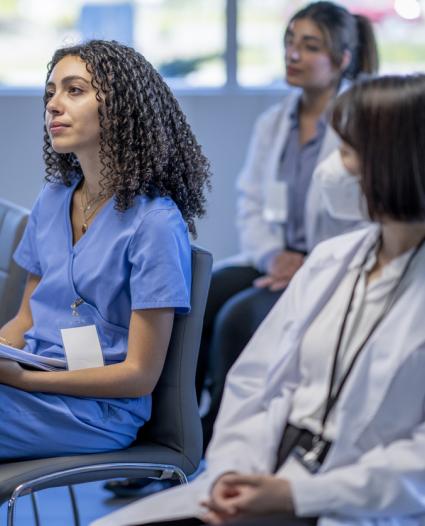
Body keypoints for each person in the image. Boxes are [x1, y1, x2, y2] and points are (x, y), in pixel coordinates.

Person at [91, 73, 425, 526]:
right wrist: (233, 471)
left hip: (355, 501)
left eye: (345, 153)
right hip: (265, 472)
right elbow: (258, 382)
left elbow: (416, 467)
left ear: (396, 164)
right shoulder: (334, 260)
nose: (331, 170)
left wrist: (296, 495)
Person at [0, 39, 210, 459]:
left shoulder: (155, 223)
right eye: (51, 93)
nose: (54, 105)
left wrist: (23, 381)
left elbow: (138, 375)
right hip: (31, 384)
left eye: (74, 90)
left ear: (120, 107)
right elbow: (24, 320)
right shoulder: (54, 198)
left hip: (98, 411)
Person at [198, 0, 379, 451]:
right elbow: (251, 201)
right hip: (277, 257)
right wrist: (273, 255)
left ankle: (220, 435)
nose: (293, 55)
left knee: (239, 317)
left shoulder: (363, 123)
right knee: (201, 292)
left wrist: (308, 264)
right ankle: (176, 430)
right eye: (290, 43)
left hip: (333, 267)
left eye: (310, 46)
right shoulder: (273, 123)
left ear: (341, 60)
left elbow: (368, 214)